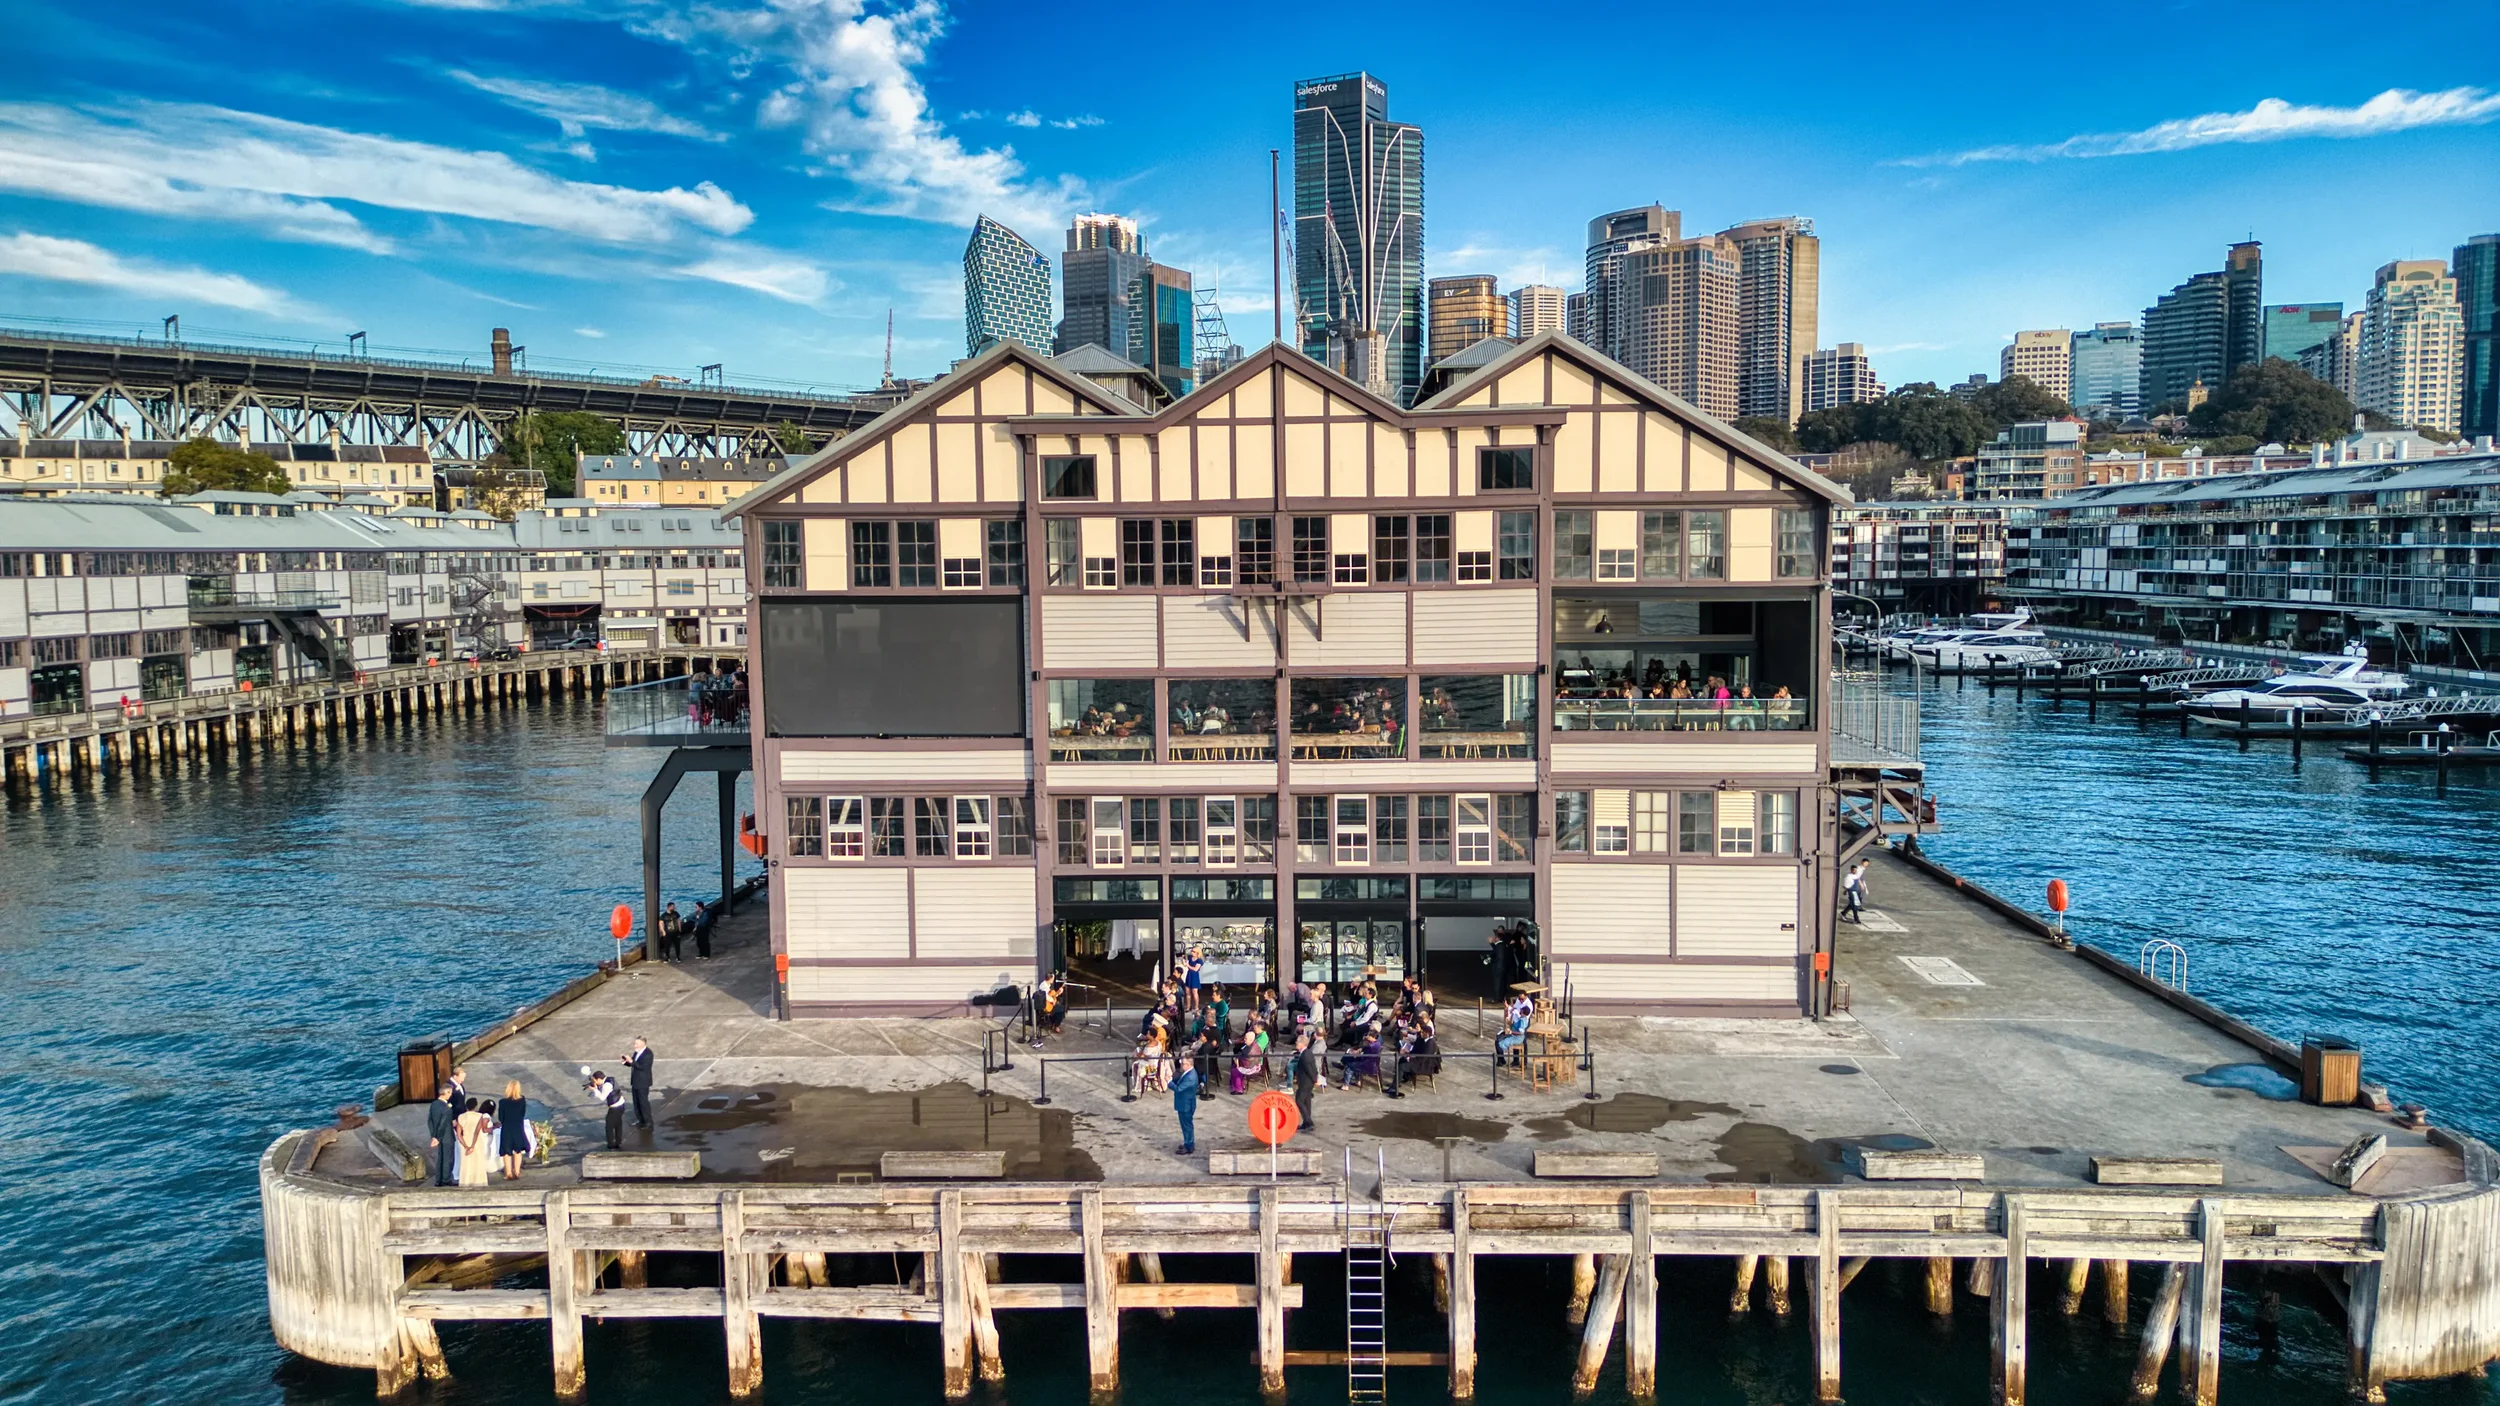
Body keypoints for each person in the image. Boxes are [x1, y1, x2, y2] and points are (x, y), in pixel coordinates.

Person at [453, 1098, 495, 1188]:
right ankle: (479, 1182)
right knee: (478, 1162)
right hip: (477, 1142)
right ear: (475, 1106)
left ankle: (465, 1182)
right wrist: (472, 1146)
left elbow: (459, 1134)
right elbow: (476, 1132)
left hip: (465, 1141)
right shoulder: (479, 1116)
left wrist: (465, 1146)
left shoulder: (461, 1116)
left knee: (466, 1163)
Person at [1171, 1040, 1203, 1155]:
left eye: (1183, 1063)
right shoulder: (1189, 1073)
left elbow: (1179, 1088)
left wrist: (1169, 1082)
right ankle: (1187, 1142)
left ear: (1189, 1065)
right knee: (1186, 1125)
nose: (1181, 1065)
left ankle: (1189, 1145)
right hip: (1186, 1103)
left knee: (1187, 1126)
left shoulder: (1190, 1077)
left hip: (1186, 1105)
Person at [498, 1079, 533, 1181]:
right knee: (518, 1151)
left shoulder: (503, 1102)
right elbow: (522, 1114)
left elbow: (501, 1118)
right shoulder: (522, 1100)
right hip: (518, 1128)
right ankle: (517, 1172)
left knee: (506, 1152)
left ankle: (508, 1173)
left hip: (507, 1128)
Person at [426, 1085, 459, 1186]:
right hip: (446, 1137)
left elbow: (430, 1121)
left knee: (440, 1158)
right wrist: (437, 1138)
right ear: (446, 1093)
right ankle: (446, 1179)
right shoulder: (447, 1109)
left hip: (437, 1135)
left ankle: (438, 1180)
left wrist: (433, 1135)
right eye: (450, 1093)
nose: (450, 1095)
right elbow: (443, 1125)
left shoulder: (434, 1104)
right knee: (448, 1159)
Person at [586, 1070, 625, 1150]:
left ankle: (611, 1144)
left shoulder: (606, 1085)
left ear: (599, 1079)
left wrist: (594, 1090)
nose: (595, 1082)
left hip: (615, 1107)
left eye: (595, 1080)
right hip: (621, 1104)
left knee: (609, 1126)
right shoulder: (610, 1079)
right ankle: (618, 1141)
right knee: (618, 1124)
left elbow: (602, 1097)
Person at [1291, 1030, 1322, 1131]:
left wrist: (1315, 1079)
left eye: (1297, 1042)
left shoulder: (1305, 1055)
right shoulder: (1305, 1053)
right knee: (1306, 1101)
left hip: (1306, 1082)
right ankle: (1306, 1123)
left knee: (1299, 1101)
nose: (1296, 1043)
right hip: (1307, 1081)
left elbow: (1310, 1069)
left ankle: (1309, 1122)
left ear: (1301, 1043)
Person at [624, 1037, 655, 1128]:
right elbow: (633, 1064)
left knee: (643, 1103)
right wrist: (626, 1062)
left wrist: (631, 1061)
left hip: (643, 1082)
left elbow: (642, 1067)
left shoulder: (648, 1054)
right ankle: (640, 1119)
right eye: (634, 1043)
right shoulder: (637, 1052)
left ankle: (647, 1122)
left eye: (636, 1043)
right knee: (636, 1102)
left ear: (643, 1043)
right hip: (636, 1081)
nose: (634, 1045)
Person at [1183, 946, 1204, 1013]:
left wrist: (1188, 965)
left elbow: (1195, 969)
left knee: (1194, 992)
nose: (1192, 952)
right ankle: (1188, 1006)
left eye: (1194, 951)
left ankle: (1196, 1007)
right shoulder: (1190, 958)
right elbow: (1185, 964)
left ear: (1198, 953)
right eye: (1192, 951)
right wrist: (1183, 960)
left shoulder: (1199, 960)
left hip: (1194, 976)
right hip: (1189, 975)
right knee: (1187, 992)